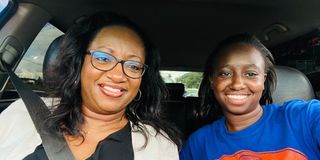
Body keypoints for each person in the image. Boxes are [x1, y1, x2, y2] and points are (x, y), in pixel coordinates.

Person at [0, 12, 180, 159]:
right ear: (79, 63)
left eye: (133, 66)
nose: (118, 75)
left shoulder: (160, 147)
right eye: (103, 58)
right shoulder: (24, 113)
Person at [179, 33, 320, 159]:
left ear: (263, 80)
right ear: (212, 81)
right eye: (225, 73)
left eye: (251, 74)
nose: (237, 84)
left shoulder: (304, 117)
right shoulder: (198, 145)